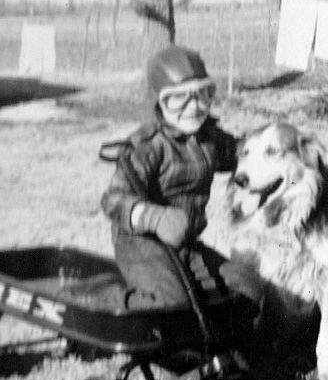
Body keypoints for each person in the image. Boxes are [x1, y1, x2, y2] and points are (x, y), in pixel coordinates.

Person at [100, 44, 245, 315]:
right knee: (172, 304)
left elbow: (240, 153)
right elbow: (113, 200)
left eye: (203, 94)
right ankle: (101, 299)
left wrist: (273, 146)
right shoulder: (148, 145)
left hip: (185, 243)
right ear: (158, 101)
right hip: (141, 244)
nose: (194, 107)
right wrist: (154, 218)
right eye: (178, 98)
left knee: (248, 288)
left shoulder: (209, 138)